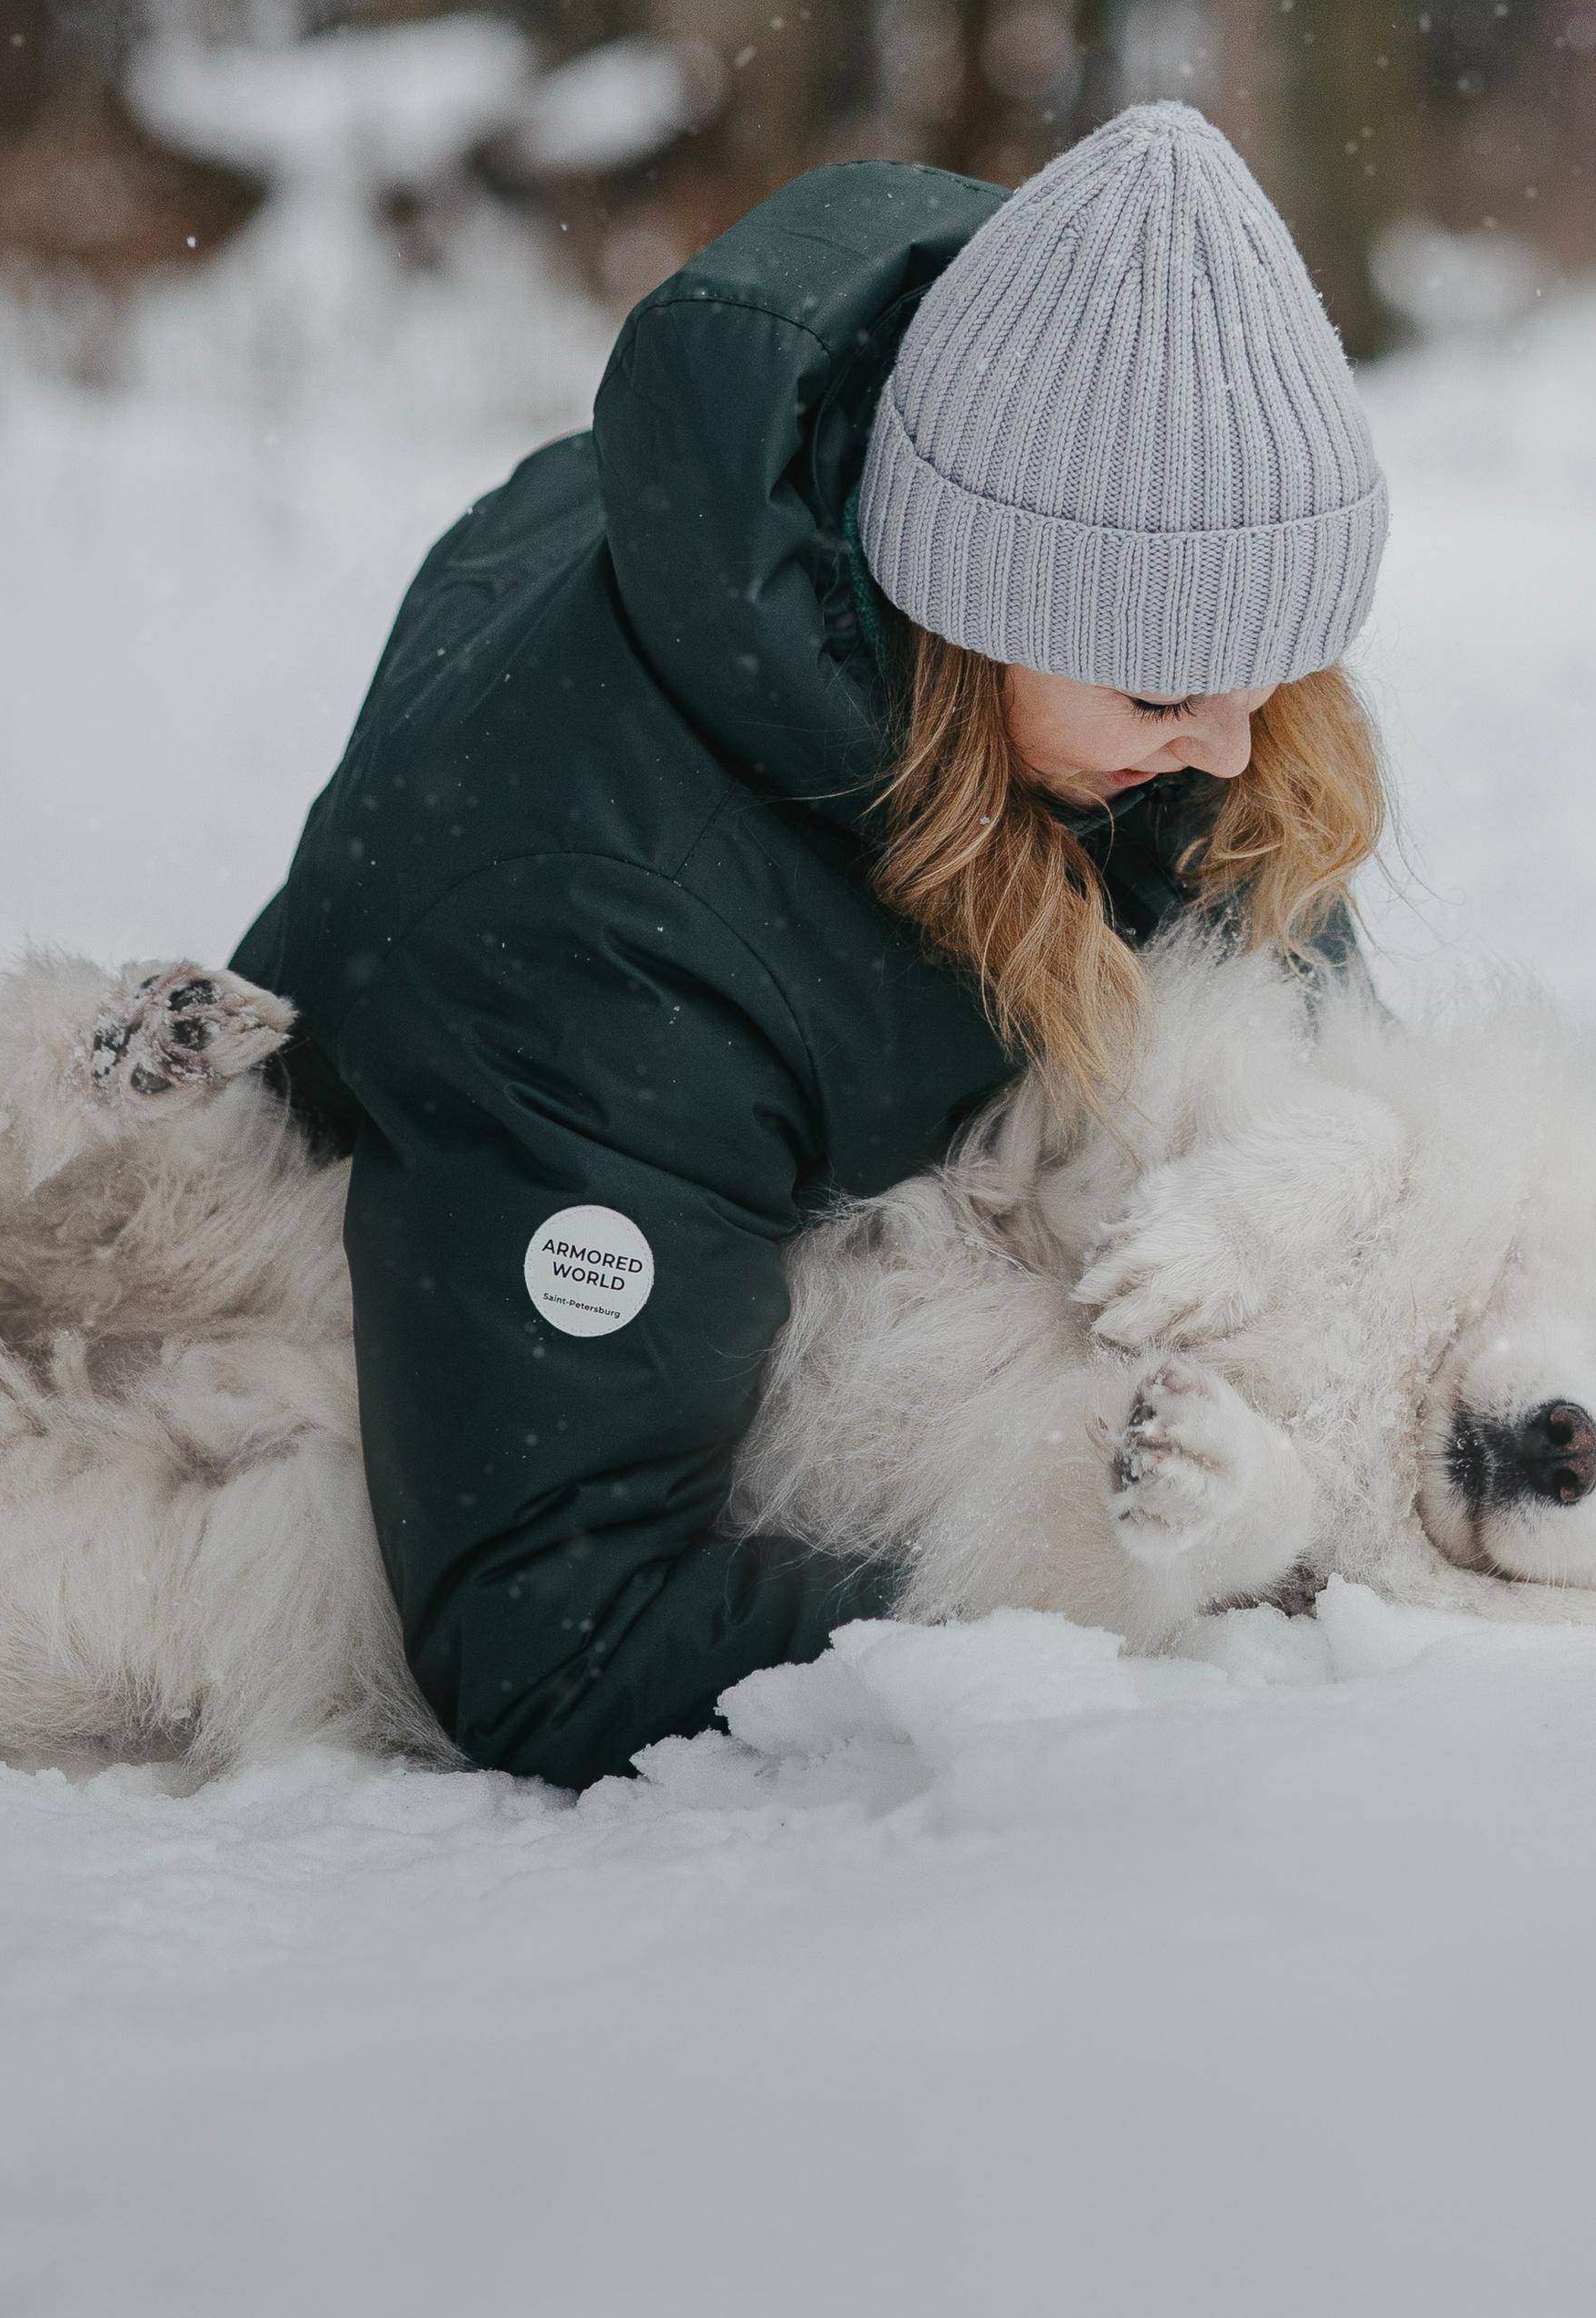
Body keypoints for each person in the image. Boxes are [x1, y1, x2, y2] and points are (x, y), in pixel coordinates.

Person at [236, 101, 1391, 1786]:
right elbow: (560, 1631)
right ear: (965, 605)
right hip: (326, 1338)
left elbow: (1320, 1069)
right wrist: (1134, 1615)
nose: (1227, 744)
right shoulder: (605, 925)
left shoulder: (1156, 701)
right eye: (1163, 688)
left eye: (1274, 671)